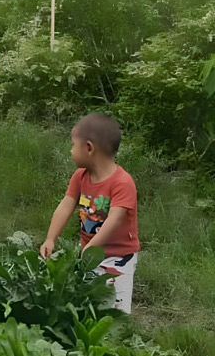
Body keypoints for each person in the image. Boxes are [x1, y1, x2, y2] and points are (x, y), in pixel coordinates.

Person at [39, 113, 140, 314]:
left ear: (89, 148)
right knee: (88, 300)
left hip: (118, 256)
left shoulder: (122, 183)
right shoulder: (80, 177)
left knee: (116, 310)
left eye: (73, 145)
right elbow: (65, 206)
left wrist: (92, 247)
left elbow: (115, 219)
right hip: (89, 251)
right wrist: (50, 238)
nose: (70, 150)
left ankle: (116, 337)